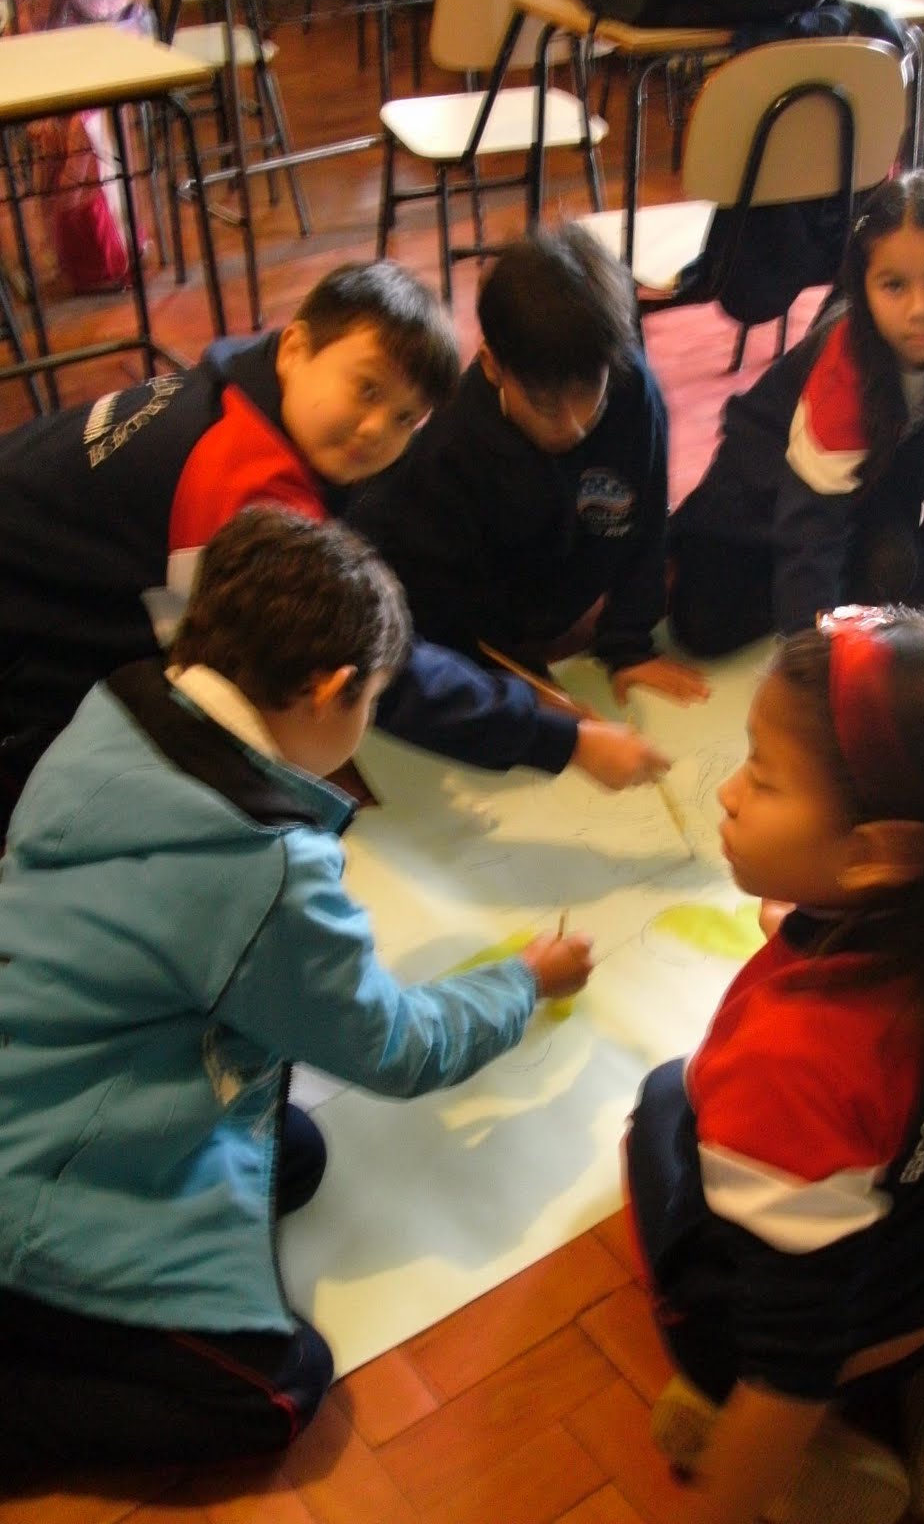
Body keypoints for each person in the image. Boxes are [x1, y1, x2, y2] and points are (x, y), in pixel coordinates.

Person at [0, 508, 594, 1482]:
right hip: (37, 1183)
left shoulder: (121, 706)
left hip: (48, 1066)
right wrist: (523, 982)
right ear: (326, 692)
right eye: (372, 702)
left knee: (296, 1155)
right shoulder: (262, 863)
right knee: (283, 1390)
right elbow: (396, 1048)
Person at [623, 609, 924, 1524]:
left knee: (662, 1104)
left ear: (874, 857)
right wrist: (805, 919)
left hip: (831, 1348)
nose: (728, 794)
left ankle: (801, 1459)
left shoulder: (789, 1066)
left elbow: (794, 1357)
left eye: (763, 777)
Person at [0, 259, 670, 836]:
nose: (376, 429)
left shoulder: (254, 385)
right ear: (296, 346)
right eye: (366, 388)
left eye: (406, 418)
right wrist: (563, 741)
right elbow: (361, 661)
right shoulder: (244, 487)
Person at [345, 225, 711, 708]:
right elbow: (447, 610)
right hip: (487, 620)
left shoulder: (633, 391)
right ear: (492, 365)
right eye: (545, 406)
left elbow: (645, 524)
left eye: (591, 398)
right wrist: (525, 687)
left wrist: (629, 647)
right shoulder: (448, 454)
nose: (574, 426)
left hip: (567, 586)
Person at [667, 171, 924, 657]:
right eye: (894, 285)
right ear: (863, 289)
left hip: (862, 490)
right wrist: (811, 654)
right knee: (703, 626)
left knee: (896, 569)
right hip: (759, 495)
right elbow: (810, 524)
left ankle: (836, 599)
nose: (920, 309)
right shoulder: (847, 360)